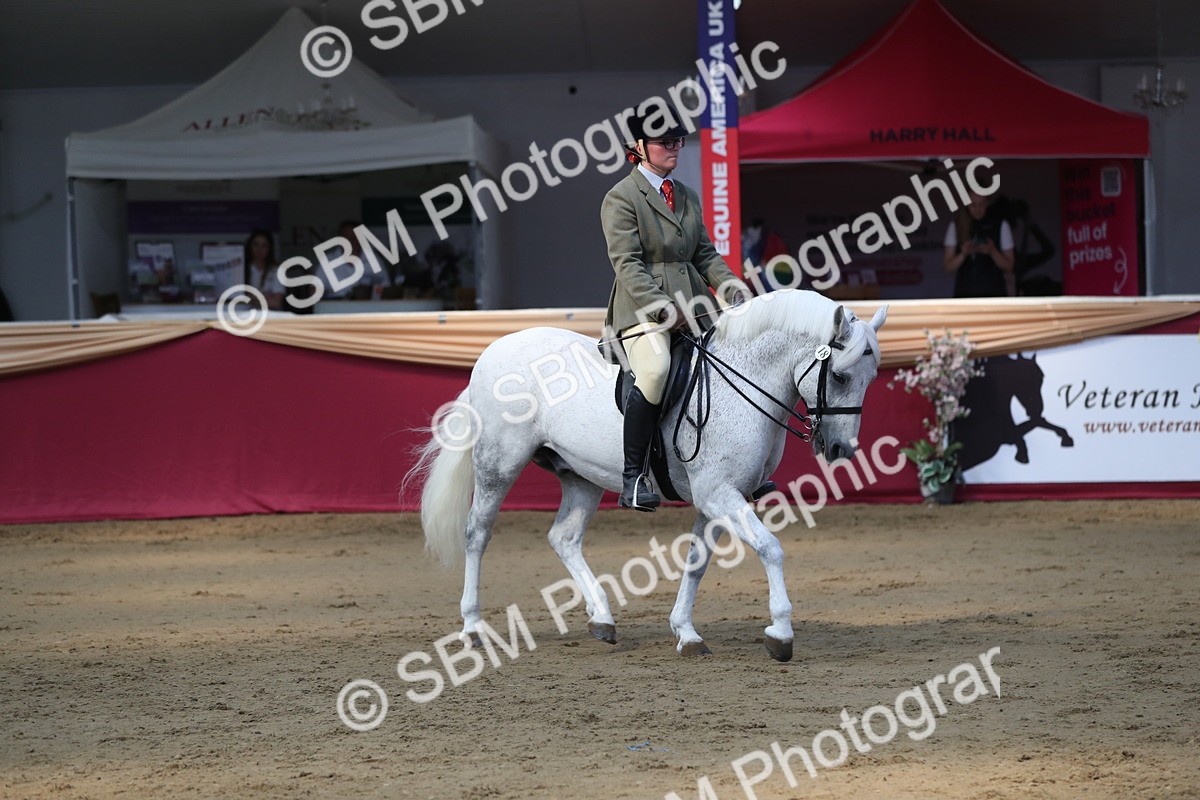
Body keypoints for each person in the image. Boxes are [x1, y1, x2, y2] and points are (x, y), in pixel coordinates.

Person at [600, 112, 748, 511]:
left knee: (734, 362)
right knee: (655, 369)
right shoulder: (621, 197)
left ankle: (742, 467)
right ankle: (633, 478)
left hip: (696, 304)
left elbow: (703, 253)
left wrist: (732, 287)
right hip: (642, 308)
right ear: (638, 148)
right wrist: (661, 307)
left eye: (678, 141)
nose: (674, 149)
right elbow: (627, 263)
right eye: (665, 142)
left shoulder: (685, 194)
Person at [943, 191, 1015, 298]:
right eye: (973, 205)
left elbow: (1009, 266)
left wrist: (992, 251)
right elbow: (948, 267)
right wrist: (963, 254)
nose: (978, 209)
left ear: (987, 203)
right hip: (965, 295)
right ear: (966, 203)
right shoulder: (956, 225)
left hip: (994, 295)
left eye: (981, 204)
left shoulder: (1000, 225)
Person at [243, 229, 285, 310]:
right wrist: (266, 296)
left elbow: (276, 302)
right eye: (256, 244)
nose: (259, 249)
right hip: (245, 316)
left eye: (264, 246)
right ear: (250, 246)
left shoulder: (277, 270)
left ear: (269, 249)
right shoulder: (241, 269)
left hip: (272, 318)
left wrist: (251, 297)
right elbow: (237, 298)